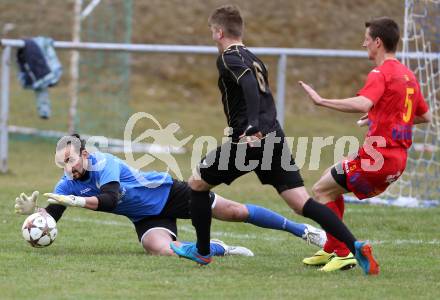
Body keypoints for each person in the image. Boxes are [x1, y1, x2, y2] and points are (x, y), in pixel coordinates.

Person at [170, 4, 379, 275]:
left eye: (212, 31)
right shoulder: (254, 58)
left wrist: (252, 125)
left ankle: (202, 251)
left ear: (219, 32)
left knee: (197, 183)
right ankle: (356, 245)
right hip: (273, 137)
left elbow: (248, 88)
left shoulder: (228, 57)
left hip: (250, 139)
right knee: (301, 203)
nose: (212, 36)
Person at [14, 134, 327, 258]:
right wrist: (38, 211)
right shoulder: (67, 182)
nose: (67, 169)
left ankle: (305, 231)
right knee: (160, 249)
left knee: (235, 212)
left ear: (84, 154)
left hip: (168, 193)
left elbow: (110, 198)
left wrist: (78, 202)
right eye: (62, 164)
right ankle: (218, 248)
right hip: (145, 217)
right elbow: (52, 218)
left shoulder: (103, 163)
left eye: (71, 160)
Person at [299, 17, 431, 272]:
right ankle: (330, 248)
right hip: (397, 159)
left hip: (378, 158)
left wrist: (321, 100)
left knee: (321, 191)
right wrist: (380, 117)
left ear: (378, 42)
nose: (364, 44)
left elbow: (362, 103)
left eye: (367, 39)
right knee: (330, 177)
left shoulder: (380, 73)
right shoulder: (408, 75)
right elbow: (424, 116)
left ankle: (343, 252)